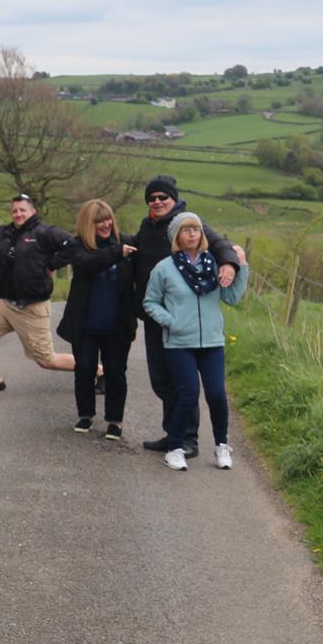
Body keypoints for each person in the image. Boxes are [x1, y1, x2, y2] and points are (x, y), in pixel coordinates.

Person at [131, 175, 241, 459]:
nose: (156, 202)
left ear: (173, 199)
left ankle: (188, 439)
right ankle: (174, 434)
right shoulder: (147, 227)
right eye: (151, 198)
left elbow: (219, 243)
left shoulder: (187, 223)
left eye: (162, 197)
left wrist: (229, 263)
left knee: (183, 383)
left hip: (184, 322)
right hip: (156, 316)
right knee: (162, 380)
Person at [0, 193, 77, 392]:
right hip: (5, 303)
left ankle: (99, 371)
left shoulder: (44, 233)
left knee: (46, 360)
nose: (18, 214)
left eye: (22, 210)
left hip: (32, 306)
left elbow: (74, 245)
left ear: (33, 211)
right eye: (14, 211)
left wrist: (53, 264)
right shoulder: (3, 233)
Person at [52, 200, 138, 440]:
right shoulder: (79, 247)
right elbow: (86, 265)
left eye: (108, 218)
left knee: (115, 373)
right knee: (85, 369)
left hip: (117, 324)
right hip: (85, 325)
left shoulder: (127, 242)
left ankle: (115, 420)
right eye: (99, 220)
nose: (105, 224)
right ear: (88, 224)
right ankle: (86, 414)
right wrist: (116, 253)